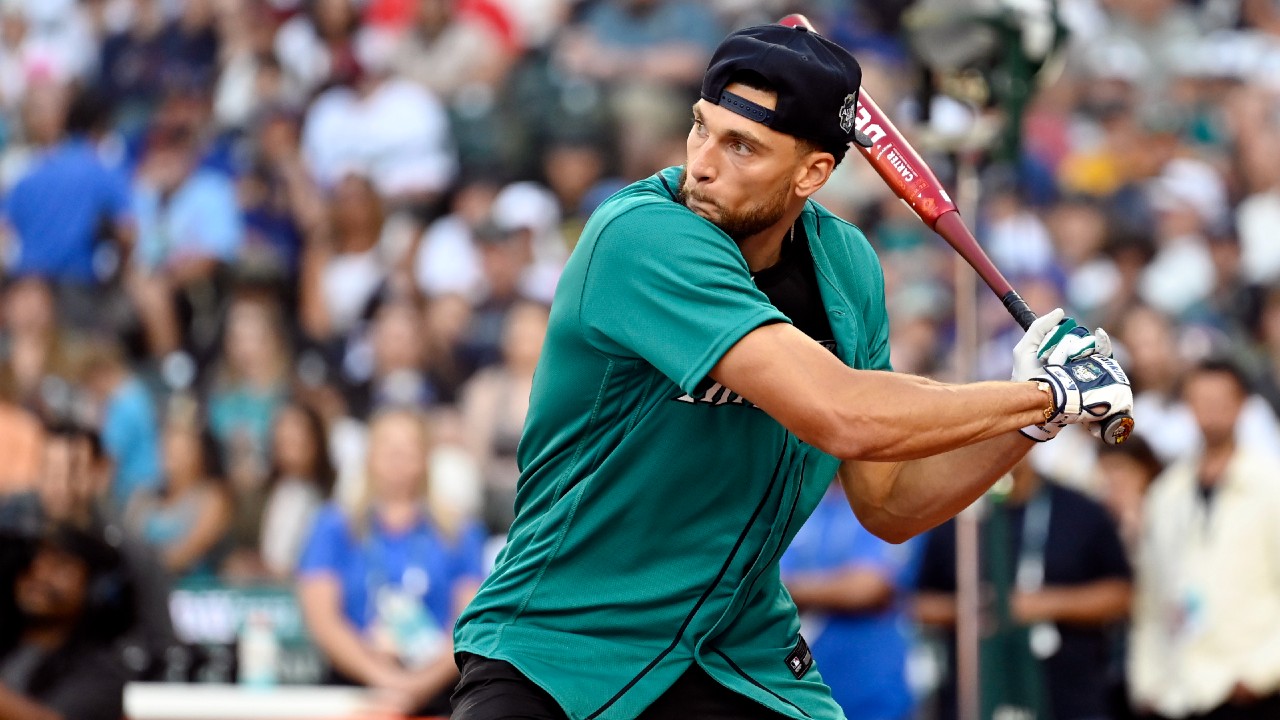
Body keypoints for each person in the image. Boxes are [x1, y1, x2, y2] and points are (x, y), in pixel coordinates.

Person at [450, 24, 1133, 720]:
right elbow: (840, 411)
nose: (703, 164)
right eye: (700, 129)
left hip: (732, 651)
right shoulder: (641, 236)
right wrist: (1040, 392)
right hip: (561, 644)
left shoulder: (848, 267)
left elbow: (889, 504)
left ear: (812, 173)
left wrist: (1039, 418)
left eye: (742, 146)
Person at [297, 408, 487, 717]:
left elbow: (469, 622)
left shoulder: (459, 531)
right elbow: (323, 620)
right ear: (368, 456)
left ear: (425, 459)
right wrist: (383, 678)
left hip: (437, 691)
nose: (397, 456)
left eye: (408, 447)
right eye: (388, 446)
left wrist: (415, 685)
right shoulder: (333, 526)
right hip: (353, 687)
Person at [913, 458, 1133, 720]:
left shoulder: (1079, 511)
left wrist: (1048, 604)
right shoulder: (957, 518)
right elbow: (918, 602)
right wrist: (967, 610)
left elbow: (1123, 595)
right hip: (977, 692)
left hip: (1067, 696)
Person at [1128, 358, 1280, 719]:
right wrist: (1147, 681)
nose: (1211, 410)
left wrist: (1262, 672)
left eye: (1221, 399)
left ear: (1243, 404)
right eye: (1200, 399)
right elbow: (1151, 596)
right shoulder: (1166, 494)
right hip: (1179, 690)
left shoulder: (1271, 487)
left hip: (1251, 686)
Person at [779, 481, 922, 720]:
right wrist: (838, 585)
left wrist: (796, 589)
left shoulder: (891, 506)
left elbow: (868, 588)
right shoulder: (794, 502)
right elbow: (768, 587)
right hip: (802, 687)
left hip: (873, 689)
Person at [0, 523, 133, 720]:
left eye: (59, 566)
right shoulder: (6, 642)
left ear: (95, 589)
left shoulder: (101, 673)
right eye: (32, 563)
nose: (39, 575)